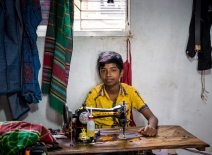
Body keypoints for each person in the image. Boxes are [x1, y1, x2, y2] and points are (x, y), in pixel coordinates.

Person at [85, 51, 158, 137]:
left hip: (124, 137)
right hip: (100, 139)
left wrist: (151, 126)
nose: (108, 74)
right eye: (104, 71)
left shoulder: (130, 92)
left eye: (113, 70)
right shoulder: (93, 94)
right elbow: (83, 117)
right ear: (99, 73)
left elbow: (152, 118)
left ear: (121, 73)